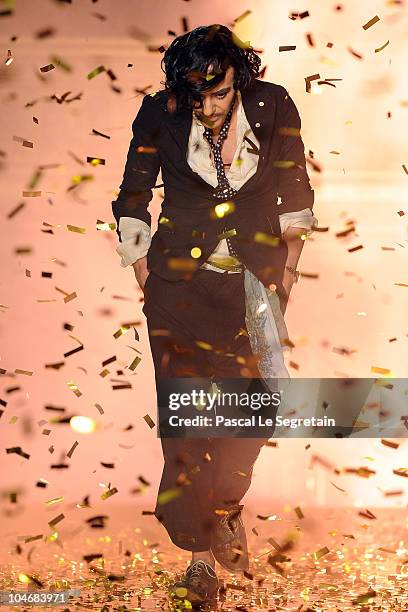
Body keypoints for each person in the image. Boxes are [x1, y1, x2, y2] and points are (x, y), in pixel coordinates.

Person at [111, 24, 317, 608]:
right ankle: (201, 559)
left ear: (238, 73)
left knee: (250, 418)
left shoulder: (272, 103)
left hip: (252, 286)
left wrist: (287, 276)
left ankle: (228, 509)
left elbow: (293, 186)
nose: (207, 107)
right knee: (189, 425)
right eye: (195, 96)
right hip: (177, 293)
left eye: (219, 92)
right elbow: (132, 195)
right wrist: (145, 276)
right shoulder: (160, 112)